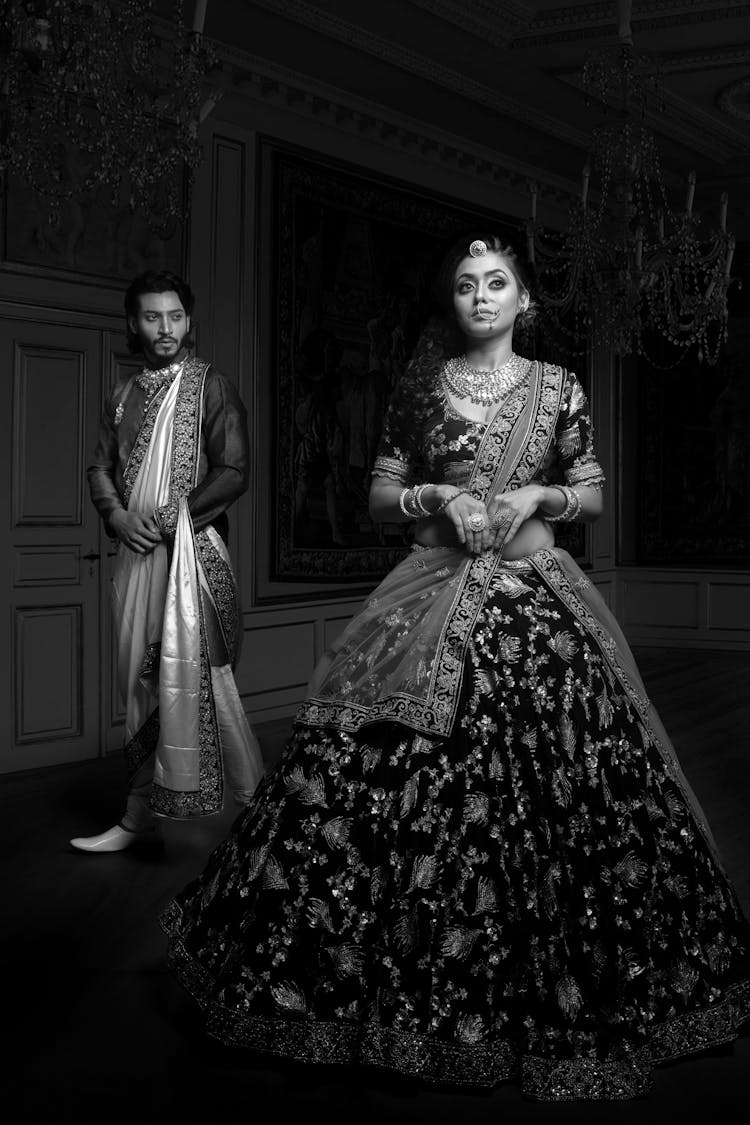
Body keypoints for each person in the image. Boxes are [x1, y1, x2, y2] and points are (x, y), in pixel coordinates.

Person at [159, 235, 750, 1099]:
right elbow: (376, 494)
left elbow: (589, 491)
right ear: (455, 300)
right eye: (468, 284)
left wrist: (532, 496)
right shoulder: (417, 389)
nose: (481, 296)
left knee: (570, 779)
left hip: (539, 601)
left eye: (498, 283)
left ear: (525, 300)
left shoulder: (559, 389)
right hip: (426, 598)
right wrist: (432, 496)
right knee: (369, 775)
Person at [70, 270, 264, 854]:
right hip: (135, 563)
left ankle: (257, 819)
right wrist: (117, 517)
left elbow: (233, 470)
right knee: (141, 688)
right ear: (134, 324)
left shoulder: (211, 386)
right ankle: (137, 818)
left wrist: (170, 516)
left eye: (175, 316)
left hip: (193, 560)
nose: (165, 328)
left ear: (189, 320)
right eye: (153, 317)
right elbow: (99, 468)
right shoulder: (122, 397)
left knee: (205, 682)